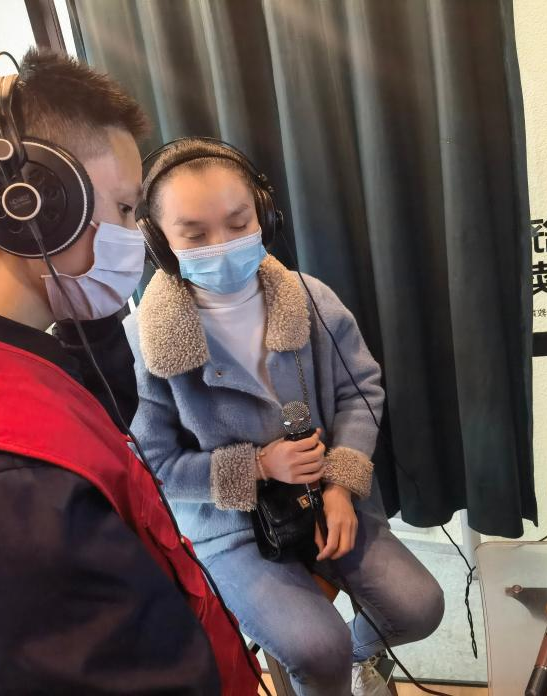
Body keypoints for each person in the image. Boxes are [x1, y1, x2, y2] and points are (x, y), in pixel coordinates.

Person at [0, 52, 258, 695]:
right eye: (126, 209)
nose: (137, 237)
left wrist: (89, 316)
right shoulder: (7, 474)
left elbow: (99, 428)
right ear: (34, 205)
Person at [126, 136, 445, 696]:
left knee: (420, 608)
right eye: (195, 235)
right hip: (232, 527)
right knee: (317, 648)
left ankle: (355, 661)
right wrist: (257, 466)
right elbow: (156, 466)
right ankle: (330, 671)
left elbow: (361, 391)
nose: (222, 245)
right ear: (159, 241)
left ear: (264, 215)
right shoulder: (144, 341)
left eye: (238, 222)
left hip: (328, 498)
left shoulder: (311, 298)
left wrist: (341, 486)